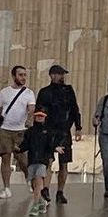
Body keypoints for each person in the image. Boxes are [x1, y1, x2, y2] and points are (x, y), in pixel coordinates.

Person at [36, 65, 82, 205]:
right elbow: (39, 112)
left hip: (64, 130)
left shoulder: (68, 91)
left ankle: (60, 192)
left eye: (63, 74)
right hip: (49, 130)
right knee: (48, 161)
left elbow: (75, 109)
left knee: (64, 163)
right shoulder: (44, 92)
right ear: (52, 75)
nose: (62, 77)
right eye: (60, 74)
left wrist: (78, 127)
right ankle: (46, 189)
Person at [0, 65, 35, 200]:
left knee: (23, 160)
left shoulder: (29, 93)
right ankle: (6, 188)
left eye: (24, 75)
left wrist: (29, 119)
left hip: (21, 130)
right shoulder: (4, 92)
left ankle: (29, 178)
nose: (23, 78)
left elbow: (31, 109)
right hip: (5, 129)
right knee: (5, 158)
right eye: (20, 75)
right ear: (14, 76)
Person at [22, 110, 59, 216]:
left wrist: (55, 149)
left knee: (38, 181)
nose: (39, 118)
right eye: (37, 116)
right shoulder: (30, 131)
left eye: (41, 116)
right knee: (35, 184)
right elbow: (25, 145)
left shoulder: (48, 131)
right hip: (32, 160)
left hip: (43, 160)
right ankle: (42, 201)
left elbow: (50, 145)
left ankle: (35, 205)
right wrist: (17, 149)